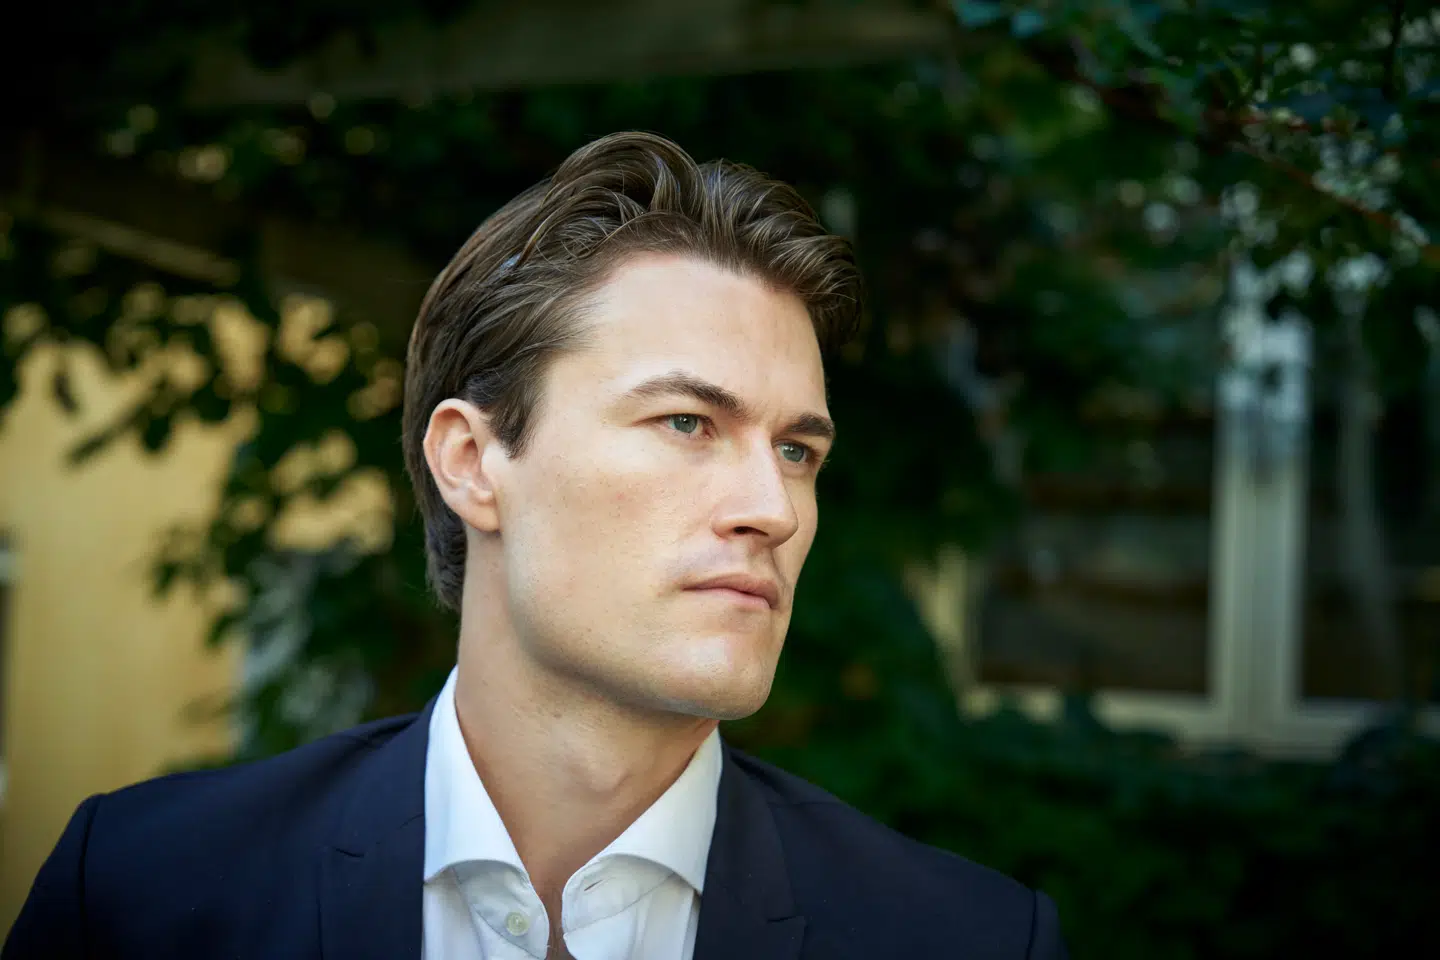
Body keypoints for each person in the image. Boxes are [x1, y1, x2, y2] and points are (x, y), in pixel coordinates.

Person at [4, 131, 1068, 960]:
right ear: (472, 462)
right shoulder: (145, 894)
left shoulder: (966, 942)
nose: (773, 509)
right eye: (687, 422)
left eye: (796, 449)